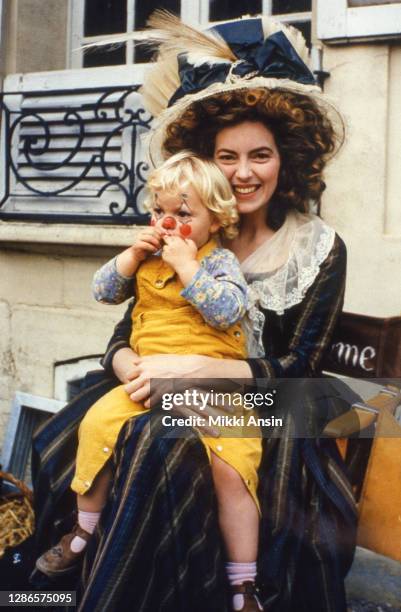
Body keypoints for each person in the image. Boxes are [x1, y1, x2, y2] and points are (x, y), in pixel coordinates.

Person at [31, 12, 358, 612]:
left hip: (272, 406)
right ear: (205, 166)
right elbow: (121, 334)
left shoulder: (318, 248)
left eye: (259, 155)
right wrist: (132, 363)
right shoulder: (190, 236)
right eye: (226, 157)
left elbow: (301, 368)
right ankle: (104, 569)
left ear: (285, 159)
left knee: (165, 436)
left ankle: (217, 586)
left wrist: (191, 374)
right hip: (164, 386)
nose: (242, 174)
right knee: (116, 426)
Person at [35, 152, 264, 609]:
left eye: (183, 214)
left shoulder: (219, 264)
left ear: (215, 221)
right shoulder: (146, 261)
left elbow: (225, 310)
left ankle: (243, 582)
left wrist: (187, 267)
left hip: (212, 389)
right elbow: (102, 291)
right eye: (160, 212)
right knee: (96, 424)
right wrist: (132, 253)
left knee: (232, 467)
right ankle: (83, 531)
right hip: (147, 381)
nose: (169, 224)